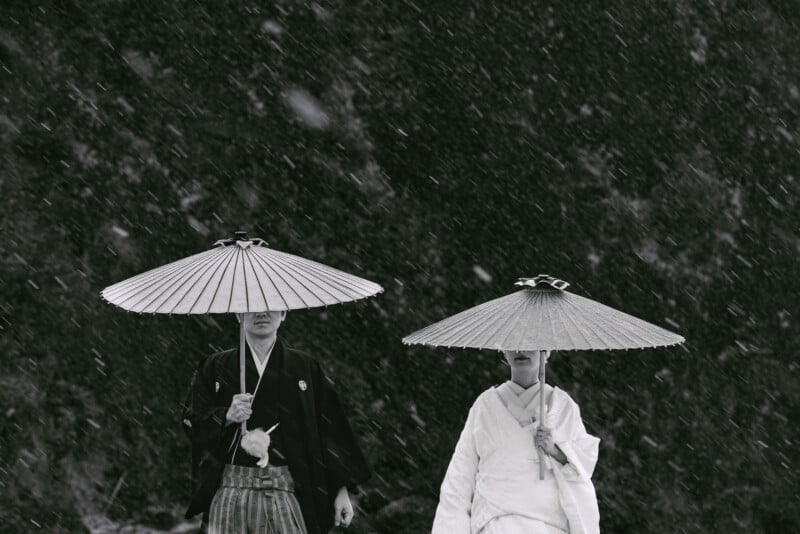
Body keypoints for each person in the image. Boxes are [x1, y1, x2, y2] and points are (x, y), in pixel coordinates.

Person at [182, 311, 370, 534]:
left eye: (271, 305)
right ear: (238, 315)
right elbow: (190, 420)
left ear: (283, 314)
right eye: (252, 306)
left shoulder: (305, 367)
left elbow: (330, 430)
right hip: (230, 489)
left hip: (287, 489)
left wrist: (341, 491)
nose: (262, 313)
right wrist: (225, 416)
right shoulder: (215, 366)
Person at [431, 350, 600, 534]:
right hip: (494, 526)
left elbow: (581, 473)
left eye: (530, 343)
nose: (520, 349)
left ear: (545, 351)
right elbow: (459, 479)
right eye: (513, 343)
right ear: (504, 351)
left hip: (547, 527)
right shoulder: (484, 405)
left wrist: (556, 451)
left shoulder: (562, 406)